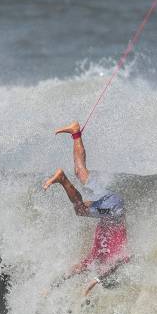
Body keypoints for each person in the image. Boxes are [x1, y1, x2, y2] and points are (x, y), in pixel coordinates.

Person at [43, 120, 130, 296]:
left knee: (80, 172)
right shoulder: (114, 256)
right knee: (80, 210)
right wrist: (96, 281)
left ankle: (76, 132)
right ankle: (62, 179)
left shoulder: (95, 258)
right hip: (113, 211)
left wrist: (54, 286)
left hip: (112, 203)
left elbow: (77, 268)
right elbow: (122, 260)